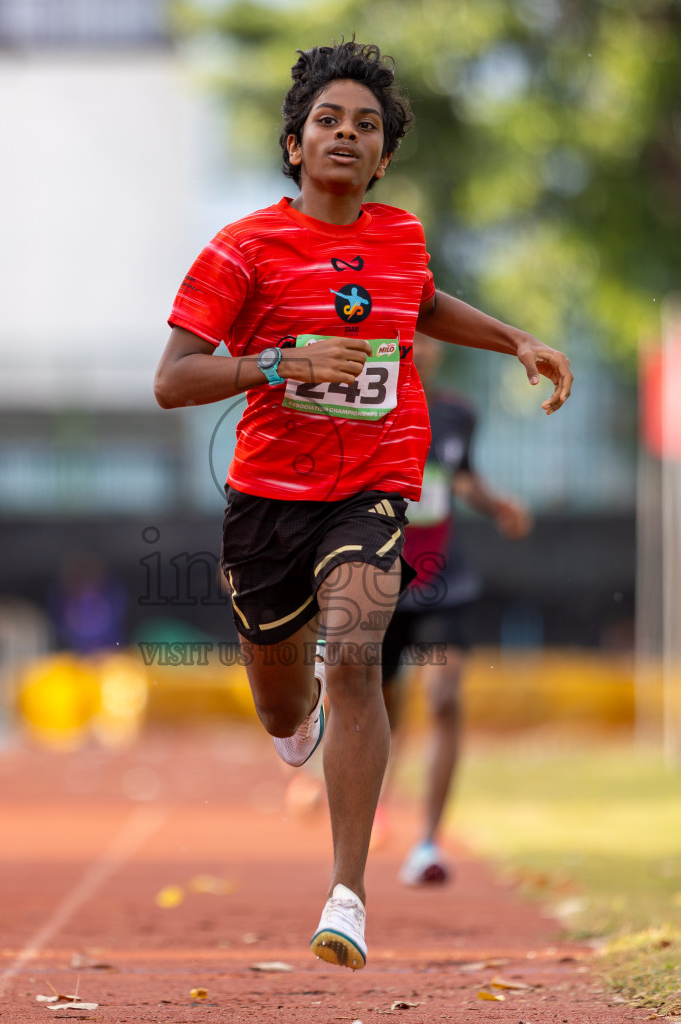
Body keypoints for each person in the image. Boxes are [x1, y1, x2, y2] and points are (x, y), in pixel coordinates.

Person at [154, 40, 572, 970]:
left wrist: (516, 341)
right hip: (267, 497)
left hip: (376, 481)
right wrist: (278, 363)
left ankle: (348, 892)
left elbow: (419, 305)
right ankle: (289, 719)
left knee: (354, 658)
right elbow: (172, 380)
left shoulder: (400, 235)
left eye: (366, 126)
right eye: (328, 122)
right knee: (279, 706)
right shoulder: (242, 248)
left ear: (383, 158)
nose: (347, 135)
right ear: (295, 145)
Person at [379, 334, 531, 887]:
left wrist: (499, 505)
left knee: (442, 695)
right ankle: (365, 795)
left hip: (444, 579)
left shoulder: (456, 413)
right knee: (378, 706)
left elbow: (460, 474)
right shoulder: (368, 407)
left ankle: (427, 842)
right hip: (377, 580)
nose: (422, 349)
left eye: (429, 340)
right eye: (409, 340)